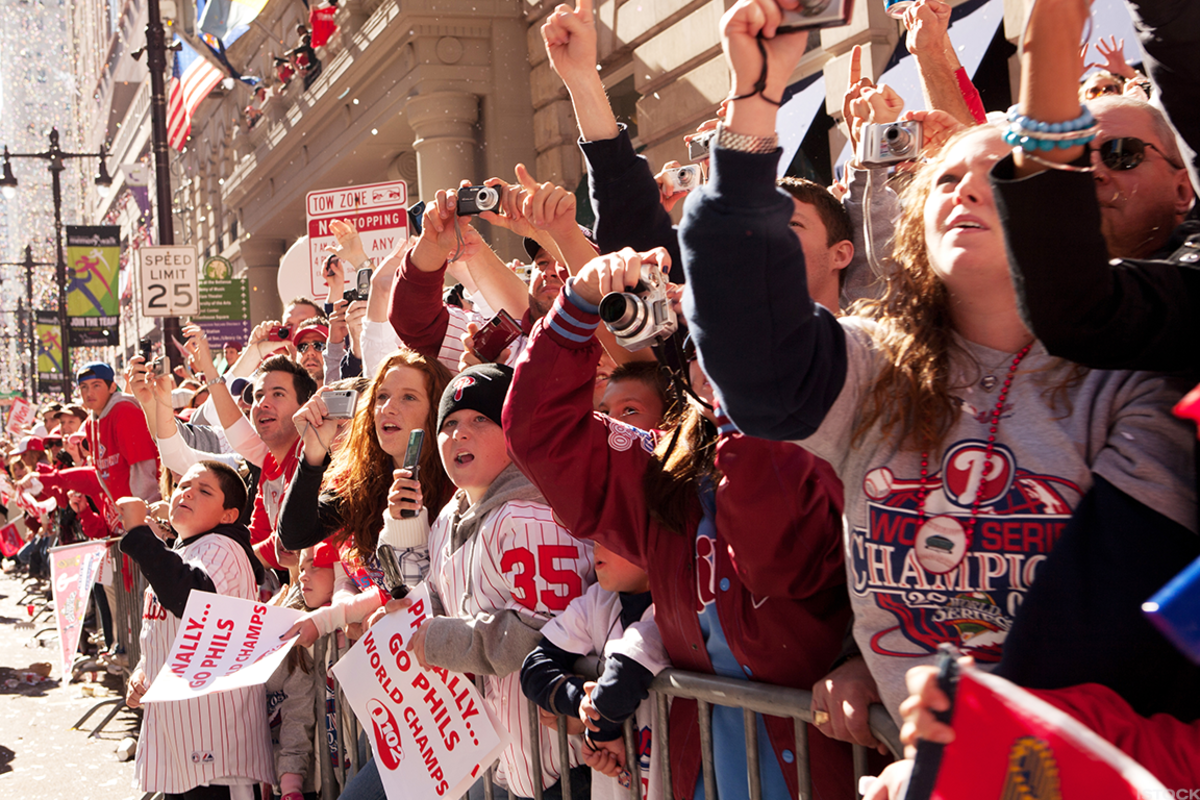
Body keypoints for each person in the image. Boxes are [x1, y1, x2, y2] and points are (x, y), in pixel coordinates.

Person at [677, 0, 1195, 728]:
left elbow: (1106, 615)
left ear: (1055, 212)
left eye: (999, 174)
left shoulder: (1136, 382)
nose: (967, 189)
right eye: (947, 179)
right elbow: (753, 357)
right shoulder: (874, 364)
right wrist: (755, 106)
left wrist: (962, 744)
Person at [505, 247, 855, 800]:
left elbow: (774, 560)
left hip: (824, 768)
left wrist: (747, 403)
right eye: (705, 340)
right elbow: (539, 435)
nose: (720, 356)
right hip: (699, 774)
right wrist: (580, 303)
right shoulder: (660, 462)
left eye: (744, 332)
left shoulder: (827, 441)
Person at [399, 362, 595, 800]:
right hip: (503, 766)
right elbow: (433, 596)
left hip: (567, 768)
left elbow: (548, 633)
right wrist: (406, 611)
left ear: (514, 432)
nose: (459, 434)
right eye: (449, 424)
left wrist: (442, 639)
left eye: (480, 420)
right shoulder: (449, 516)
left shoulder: (532, 514)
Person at [118, 461, 272, 799]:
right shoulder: (188, 548)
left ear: (228, 514)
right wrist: (143, 673)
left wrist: (139, 536)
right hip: (185, 740)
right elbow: (167, 630)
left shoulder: (222, 546)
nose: (187, 492)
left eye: (204, 491)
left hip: (217, 745)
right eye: (183, 486)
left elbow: (190, 597)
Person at [278, 347, 455, 640]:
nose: (388, 408)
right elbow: (295, 535)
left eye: (408, 397)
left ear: (436, 411)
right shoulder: (361, 479)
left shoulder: (458, 485)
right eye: (382, 397)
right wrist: (313, 452)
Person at [520, 542, 669, 800]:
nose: (596, 544)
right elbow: (534, 668)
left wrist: (601, 724)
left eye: (610, 534)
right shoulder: (600, 598)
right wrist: (583, 705)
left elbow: (626, 669)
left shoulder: (676, 604)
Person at [76, 361, 161, 503]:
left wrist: (144, 515)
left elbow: (143, 466)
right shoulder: (90, 422)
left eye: (96, 385)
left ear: (112, 387)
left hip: (143, 511)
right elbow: (101, 472)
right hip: (123, 512)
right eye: (84, 387)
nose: (89, 393)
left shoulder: (124, 411)